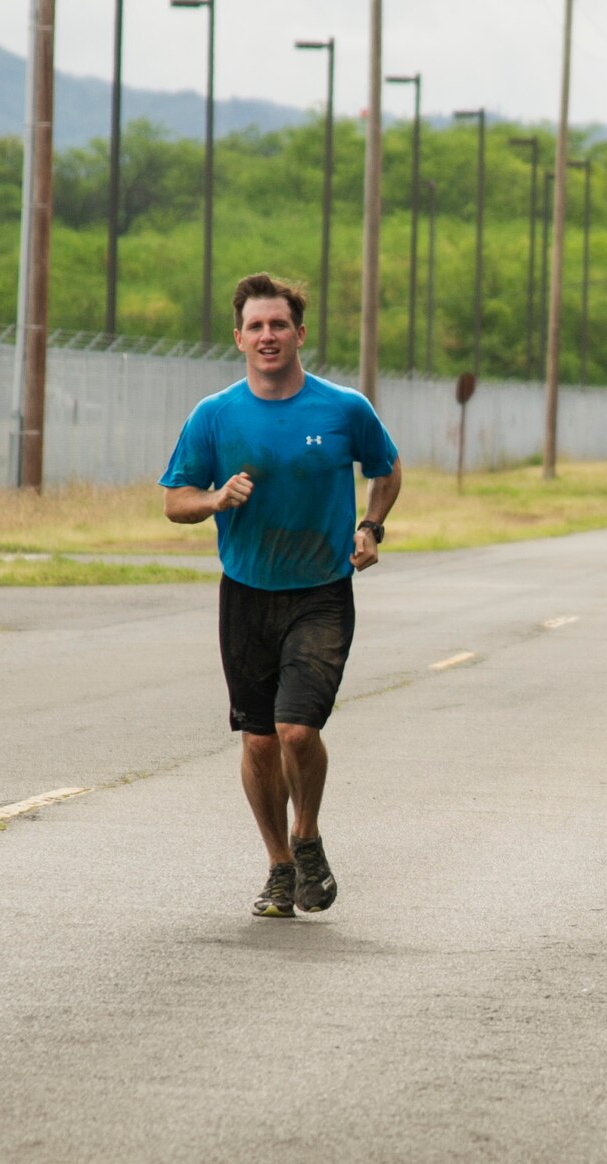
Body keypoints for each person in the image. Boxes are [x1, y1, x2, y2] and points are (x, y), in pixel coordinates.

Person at [160, 272, 402, 919]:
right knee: (260, 741)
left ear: (300, 332)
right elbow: (174, 499)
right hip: (245, 595)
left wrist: (371, 527)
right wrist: (214, 498)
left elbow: (387, 467)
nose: (268, 336)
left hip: (320, 591)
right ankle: (278, 865)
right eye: (256, 326)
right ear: (238, 337)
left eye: (279, 325)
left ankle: (307, 835)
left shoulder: (344, 408)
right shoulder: (214, 416)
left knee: (297, 730)